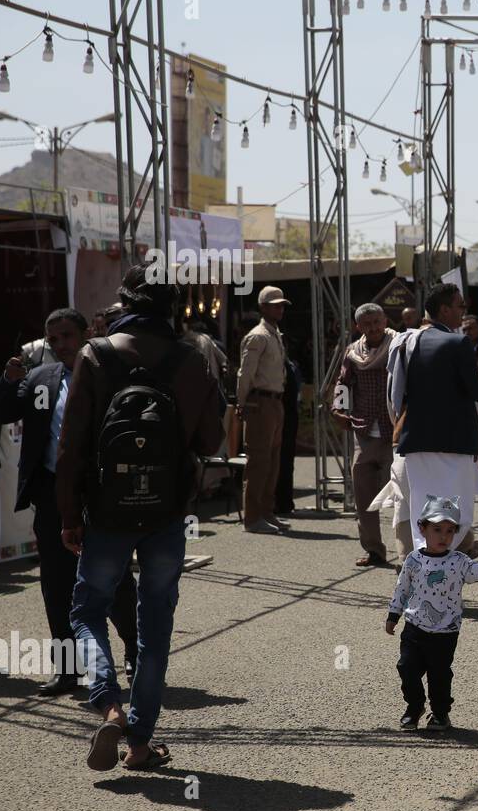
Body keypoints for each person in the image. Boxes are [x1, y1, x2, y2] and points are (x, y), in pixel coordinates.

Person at [57, 262, 225, 771]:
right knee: (154, 628)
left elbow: (71, 449)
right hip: (166, 512)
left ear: (125, 302)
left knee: (87, 612)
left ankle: (109, 705)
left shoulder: (96, 354)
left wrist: (70, 517)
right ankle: (139, 744)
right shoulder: (191, 359)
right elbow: (210, 441)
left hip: (106, 511)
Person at [0, 308, 138, 696]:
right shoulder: (40, 378)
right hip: (53, 496)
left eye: (66, 336)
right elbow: (3, 412)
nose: (59, 345)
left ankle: (135, 654)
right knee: (56, 585)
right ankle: (68, 669)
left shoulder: (111, 372)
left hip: (102, 492)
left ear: (85, 333)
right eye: (52, 339)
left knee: (115, 578)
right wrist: (8, 381)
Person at [386, 495, 478, 731]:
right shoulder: (413, 560)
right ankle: (414, 708)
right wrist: (393, 615)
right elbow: (402, 588)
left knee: (440, 675)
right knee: (406, 668)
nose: (443, 536)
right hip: (414, 627)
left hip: (445, 632)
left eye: (450, 531)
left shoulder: (459, 562)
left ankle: (440, 713)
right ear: (422, 529)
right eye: (437, 529)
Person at [388, 282, 478, 555]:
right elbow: (476, 390)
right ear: (445, 310)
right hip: (454, 444)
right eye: (460, 306)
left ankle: (423, 570)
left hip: (417, 442)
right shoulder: (458, 342)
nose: (463, 311)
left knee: (423, 512)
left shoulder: (408, 341)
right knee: (456, 514)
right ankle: (443, 574)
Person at [334, 303, 397, 566]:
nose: (373, 327)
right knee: (364, 496)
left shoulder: (399, 346)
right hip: (364, 431)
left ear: (385, 321)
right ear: (358, 327)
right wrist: (338, 408)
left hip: (395, 432)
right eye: (367, 323)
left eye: (377, 322)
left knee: (405, 496)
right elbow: (343, 382)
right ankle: (374, 550)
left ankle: (414, 552)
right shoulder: (352, 353)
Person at [236, 285, 292, 534]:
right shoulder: (258, 335)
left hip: (275, 401)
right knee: (259, 461)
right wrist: (242, 402)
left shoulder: (273, 334)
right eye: (275, 304)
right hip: (260, 402)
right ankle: (252, 517)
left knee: (272, 461)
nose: (280, 308)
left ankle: (266, 512)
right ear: (263, 307)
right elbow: (245, 372)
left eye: (282, 305)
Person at [275, 340, 303, 516]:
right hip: (287, 416)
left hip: (287, 416)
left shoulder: (286, 367)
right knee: (283, 461)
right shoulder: (289, 366)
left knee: (282, 461)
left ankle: (283, 503)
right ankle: (283, 503)